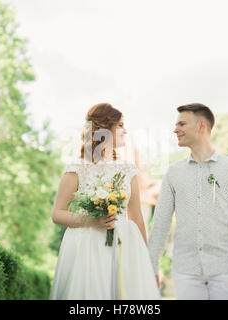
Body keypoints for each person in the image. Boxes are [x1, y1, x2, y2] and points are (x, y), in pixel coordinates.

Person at [49, 102, 161, 300]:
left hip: (124, 245)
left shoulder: (128, 170)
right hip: (87, 247)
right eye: (120, 126)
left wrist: (148, 261)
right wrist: (91, 221)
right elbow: (57, 213)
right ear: (105, 129)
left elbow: (136, 218)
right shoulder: (77, 168)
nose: (125, 130)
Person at [148, 103, 228, 300]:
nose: (176, 129)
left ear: (201, 126)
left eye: (182, 124)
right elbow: (161, 222)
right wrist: (152, 264)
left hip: (226, 269)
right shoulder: (173, 173)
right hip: (185, 271)